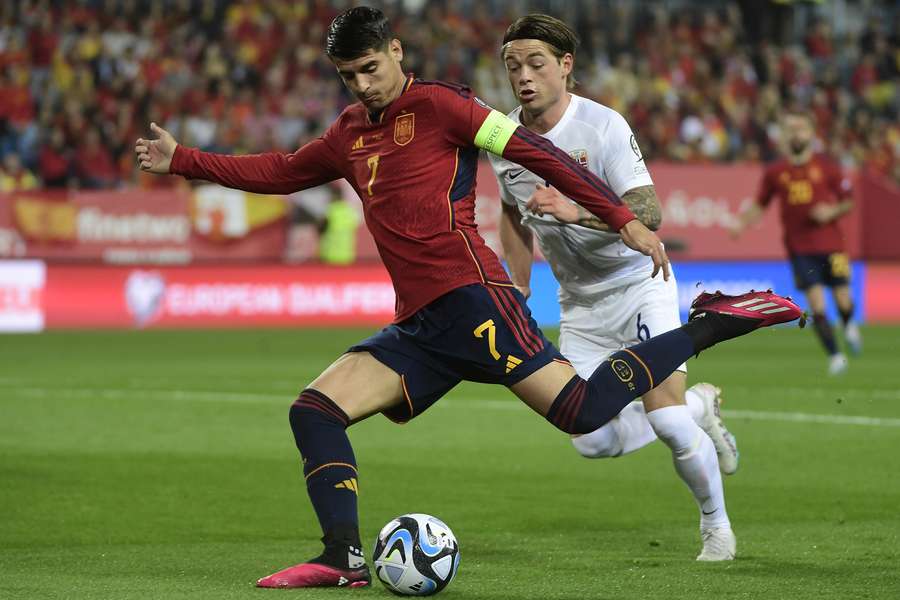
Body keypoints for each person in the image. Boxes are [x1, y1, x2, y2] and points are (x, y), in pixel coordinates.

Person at [135, 7, 801, 589]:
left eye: (370, 67)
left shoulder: (446, 108)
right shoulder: (347, 133)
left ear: (397, 52)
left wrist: (623, 218)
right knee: (315, 411)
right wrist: (186, 160)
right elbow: (280, 171)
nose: (363, 85)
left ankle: (710, 323)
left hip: (473, 298)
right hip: (420, 325)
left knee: (581, 414)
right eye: (348, 76)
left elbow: (544, 158)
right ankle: (343, 558)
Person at [488, 14, 738, 561]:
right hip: (580, 306)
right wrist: (519, 286)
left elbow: (648, 212)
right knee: (590, 439)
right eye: (513, 66)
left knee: (667, 421)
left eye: (535, 63)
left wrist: (575, 209)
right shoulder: (501, 139)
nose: (523, 76)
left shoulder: (601, 127)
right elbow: (511, 211)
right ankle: (699, 406)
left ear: (565, 66)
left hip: (636, 285)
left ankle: (716, 527)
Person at [731, 110, 860, 375]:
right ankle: (835, 355)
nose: (796, 133)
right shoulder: (776, 171)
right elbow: (760, 204)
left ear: (811, 134)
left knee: (843, 300)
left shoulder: (827, 166)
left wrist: (830, 212)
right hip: (800, 248)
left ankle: (848, 324)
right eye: (791, 129)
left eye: (801, 128)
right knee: (817, 304)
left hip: (833, 245)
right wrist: (741, 223)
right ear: (785, 135)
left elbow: (848, 199)